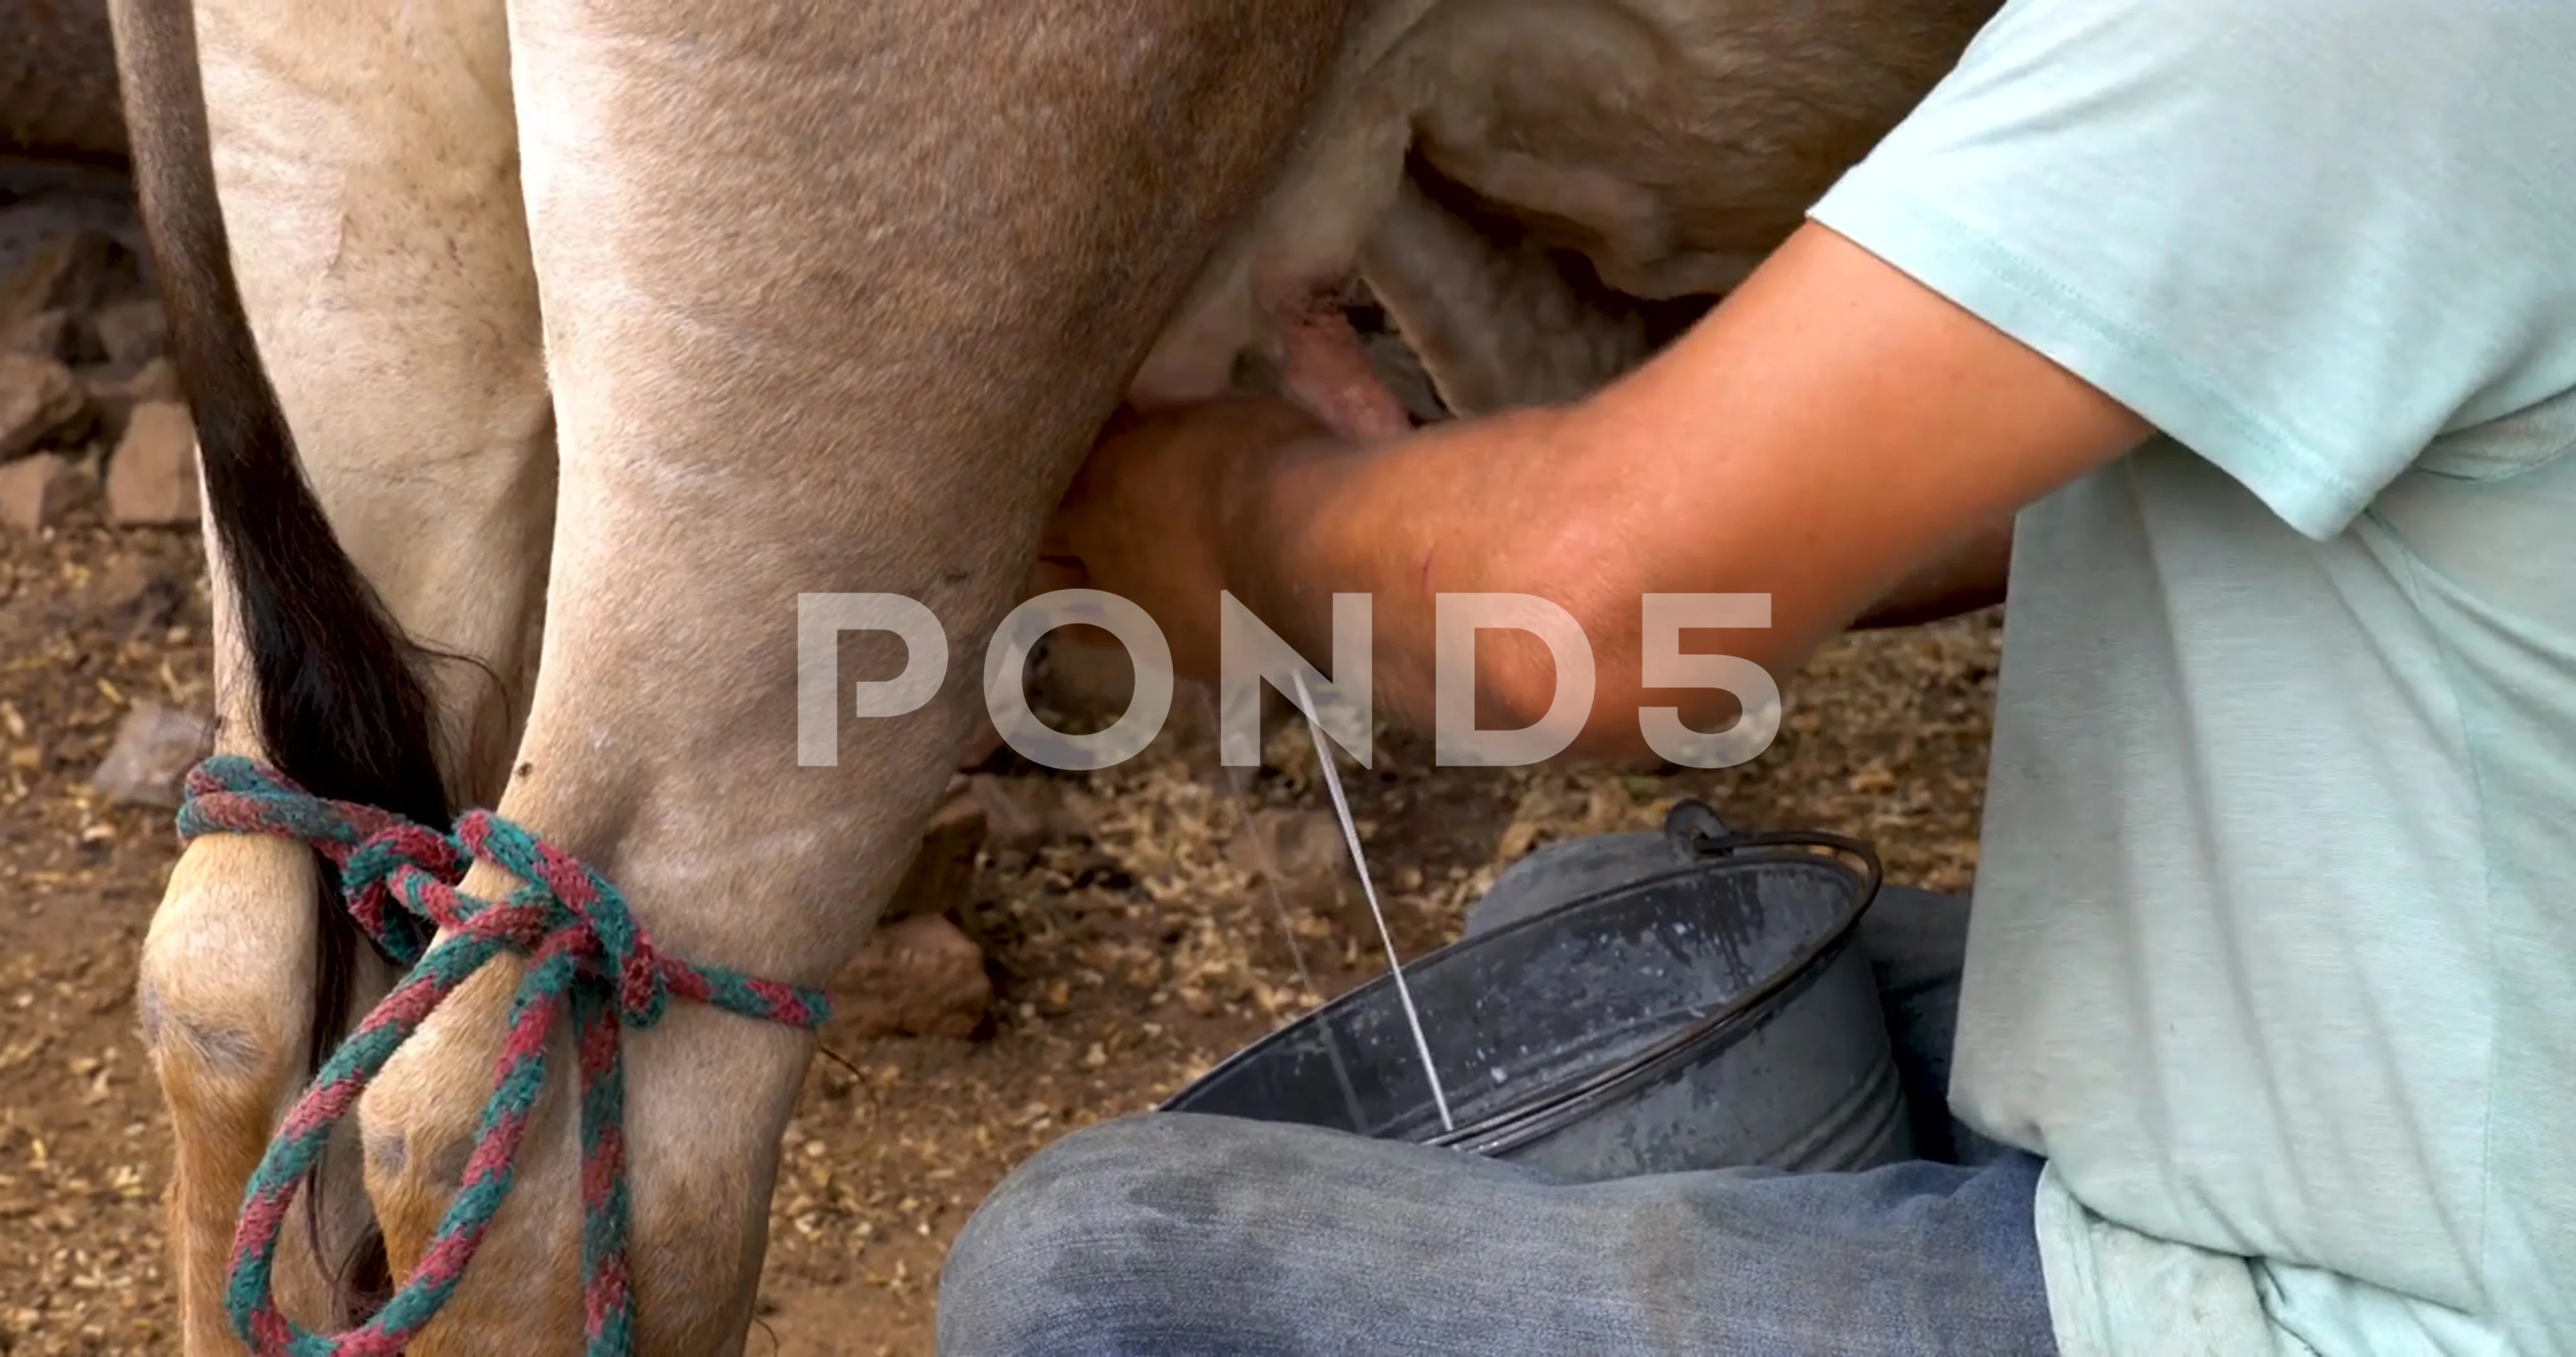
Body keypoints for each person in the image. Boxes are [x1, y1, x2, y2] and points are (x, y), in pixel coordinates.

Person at [935, 1, 2576, 1353]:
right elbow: (2027, 474)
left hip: (2386, 1302)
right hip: (2454, 1088)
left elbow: (1591, 614)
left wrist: (1227, 513)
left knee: (1089, 1274)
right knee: (1606, 915)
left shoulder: (2313, 40)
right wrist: (1446, 522)